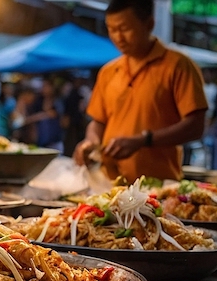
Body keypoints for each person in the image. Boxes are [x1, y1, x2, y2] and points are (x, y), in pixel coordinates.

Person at [73, 0, 207, 182]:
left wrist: (144, 140)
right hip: (109, 185)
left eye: (124, 28)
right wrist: (91, 141)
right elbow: (98, 122)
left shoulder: (178, 66)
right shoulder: (108, 72)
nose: (118, 37)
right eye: (112, 29)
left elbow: (195, 127)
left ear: (149, 24)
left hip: (159, 186)